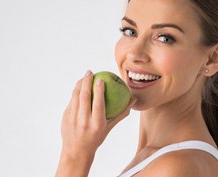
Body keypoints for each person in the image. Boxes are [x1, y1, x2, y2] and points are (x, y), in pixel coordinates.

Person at [55, 0, 218, 176]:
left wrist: (74, 156)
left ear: (212, 59)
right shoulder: (163, 157)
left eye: (165, 38)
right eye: (130, 31)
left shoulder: (177, 167)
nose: (134, 54)